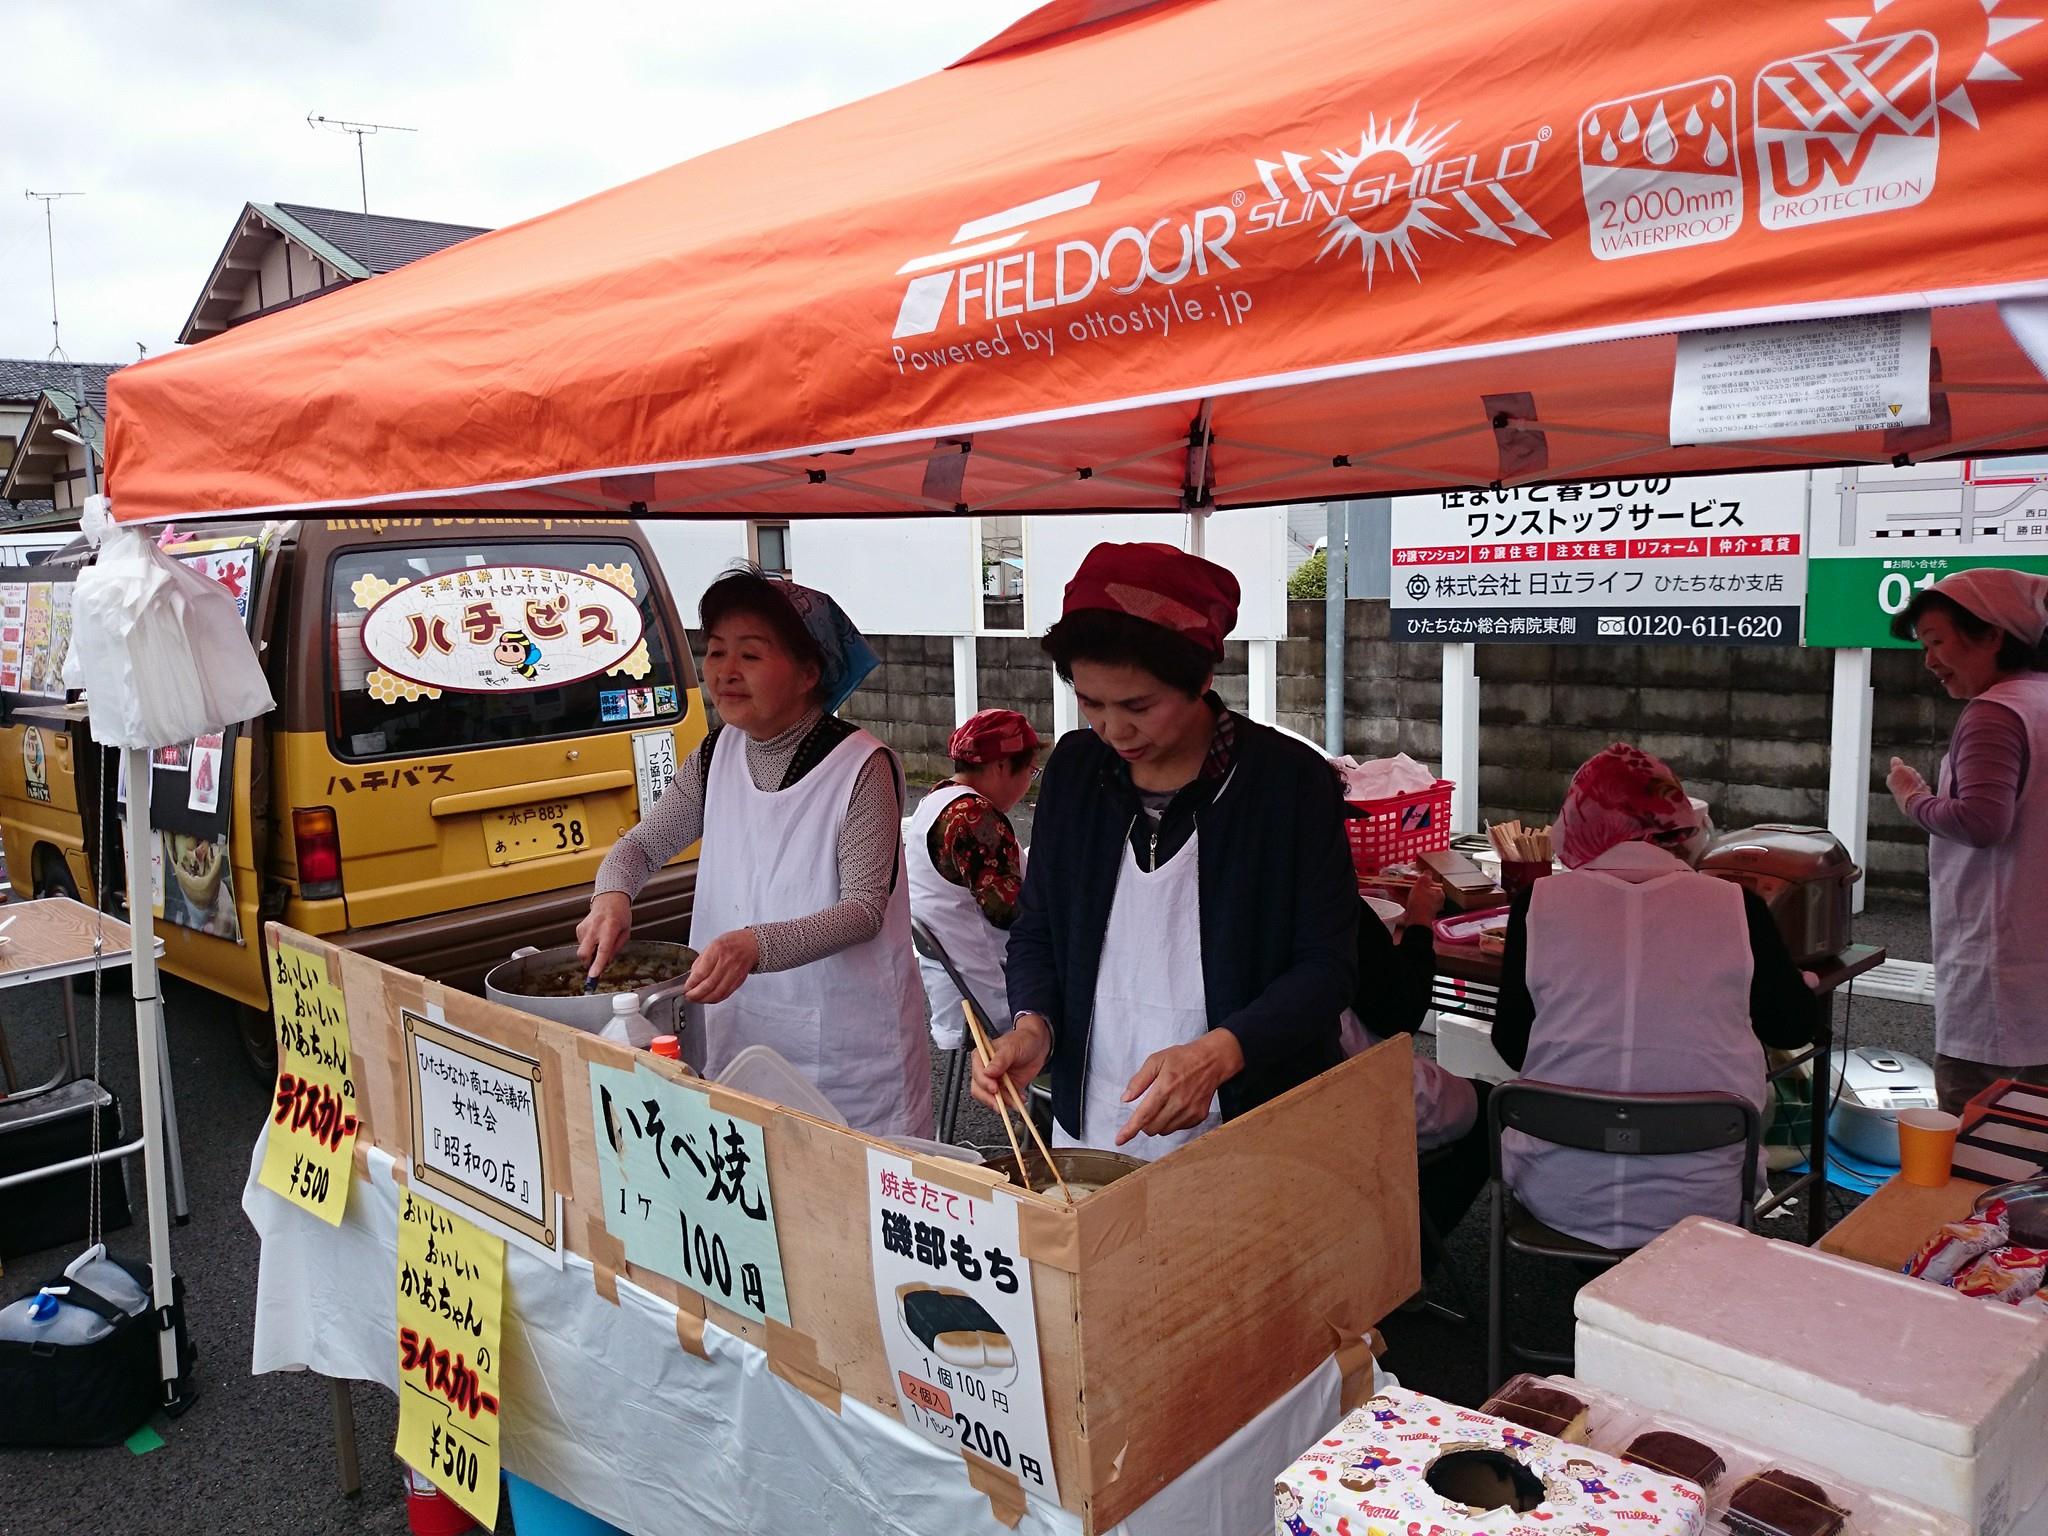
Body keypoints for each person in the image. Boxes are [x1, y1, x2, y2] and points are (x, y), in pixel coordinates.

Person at [973, 542, 1357, 1158]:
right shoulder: (1075, 771)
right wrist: (1033, 1024)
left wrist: (1220, 1052)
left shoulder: (1289, 782)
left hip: (1246, 1116)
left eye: (1138, 706)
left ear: (1202, 678)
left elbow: (1327, 965)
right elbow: (1038, 928)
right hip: (1097, 1110)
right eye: (1090, 701)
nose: (1114, 730)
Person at [578, 568, 929, 1137]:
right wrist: (611, 896)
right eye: (715, 652)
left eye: (752, 655)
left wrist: (754, 944)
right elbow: (642, 845)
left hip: (844, 1051)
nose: (725, 671)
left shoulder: (863, 766)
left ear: (809, 672)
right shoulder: (717, 751)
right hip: (737, 1026)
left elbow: (864, 910)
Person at [1491, 744, 1817, 1250]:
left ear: (1578, 822)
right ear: (1678, 822)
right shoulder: (1738, 907)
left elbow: (1512, 1042)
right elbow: (1793, 1027)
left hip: (1559, 1189)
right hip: (1704, 1198)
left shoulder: (1536, 904)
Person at [1884, 567, 2048, 1113]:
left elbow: (1982, 822)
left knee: (1980, 1148)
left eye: (1936, 641)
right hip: (2035, 962)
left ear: (1992, 633)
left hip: (1997, 966)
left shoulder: (1996, 712)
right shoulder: (2040, 699)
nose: (1929, 659)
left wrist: (1912, 798)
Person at [1343, 870, 1489, 1238]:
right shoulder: (1329, 902)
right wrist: (1420, 921)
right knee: (1491, 1108)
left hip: (1277, 1097)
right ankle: (1408, 1252)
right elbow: (1400, 1010)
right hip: (1349, 1097)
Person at [906, 708, 1041, 1050]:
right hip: (988, 987)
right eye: (1030, 771)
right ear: (1000, 766)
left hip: (954, 981)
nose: (1029, 783)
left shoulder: (937, 800)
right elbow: (1011, 913)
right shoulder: (975, 817)